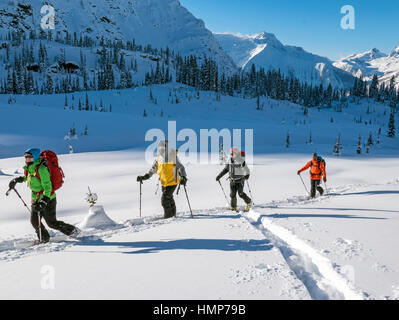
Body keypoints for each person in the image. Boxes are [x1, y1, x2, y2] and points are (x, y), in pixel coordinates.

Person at [8, 148, 79, 243]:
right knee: (34, 221)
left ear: (35, 157)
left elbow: (48, 187)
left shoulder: (41, 169)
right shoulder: (30, 167)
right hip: (35, 199)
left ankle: (72, 231)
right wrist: (17, 180)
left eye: (29, 157)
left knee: (51, 223)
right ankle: (44, 238)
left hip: (48, 199)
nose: (27, 159)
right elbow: (28, 177)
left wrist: (44, 201)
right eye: (26, 157)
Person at [137, 140, 187, 219]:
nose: (161, 148)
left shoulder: (172, 156)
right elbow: (153, 169)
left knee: (164, 200)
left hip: (173, 181)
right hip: (164, 182)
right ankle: (173, 215)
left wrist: (183, 177)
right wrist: (146, 176)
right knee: (169, 198)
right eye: (160, 147)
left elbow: (181, 167)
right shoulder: (158, 158)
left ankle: (168, 217)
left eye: (163, 147)